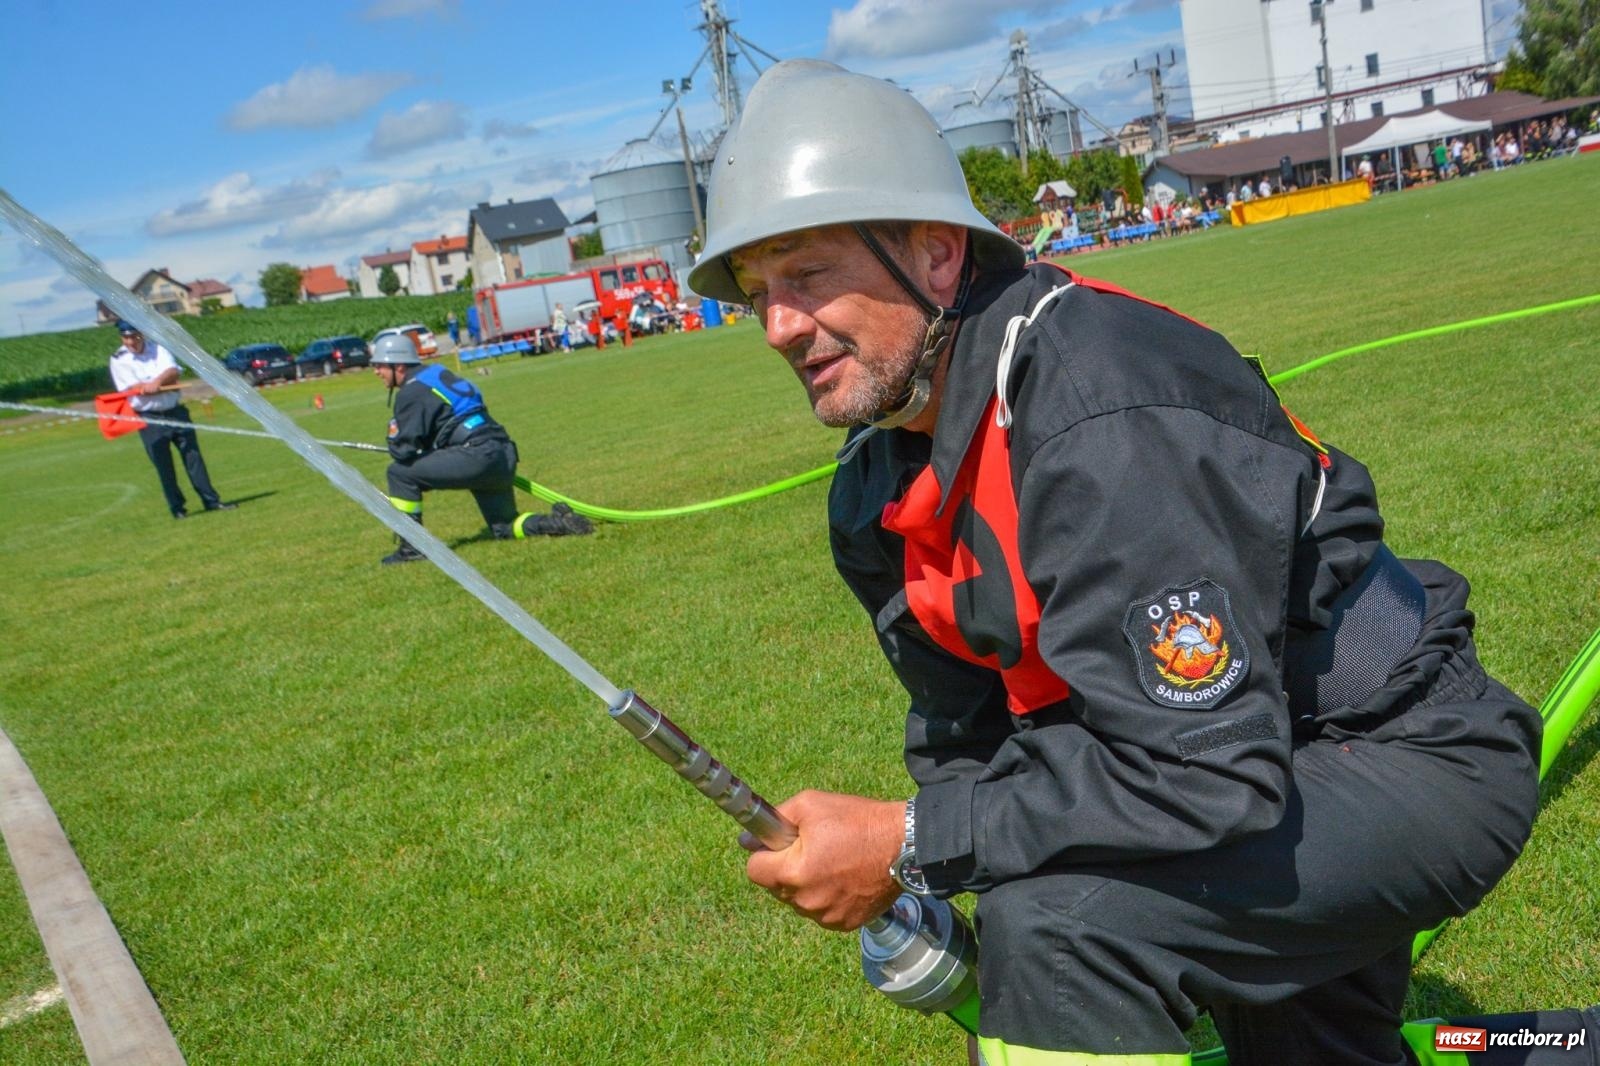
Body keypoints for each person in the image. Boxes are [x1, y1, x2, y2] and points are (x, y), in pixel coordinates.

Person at [688, 60, 1576, 1066]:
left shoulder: (1096, 409)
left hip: (1393, 754)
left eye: (806, 276)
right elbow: (966, 739)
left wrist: (906, 842)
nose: (777, 326)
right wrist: (933, 845)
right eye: (755, 293)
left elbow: (1199, 773)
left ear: (936, 255)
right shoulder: (875, 493)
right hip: (1247, 769)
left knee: (1063, 933)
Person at [368, 334, 590, 565]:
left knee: (399, 473)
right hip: (501, 453)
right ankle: (558, 523)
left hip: (475, 456)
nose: (376, 371)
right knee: (504, 527)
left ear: (399, 365)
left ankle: (412, 547)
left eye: (379, 366)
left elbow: (404, 451)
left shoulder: (412, 391)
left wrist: (395, 436)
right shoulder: (435, 373)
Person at [107, 320, 235, 519]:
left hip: (175, 411)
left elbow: (173, 371)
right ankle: (177, 508)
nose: (130, 341)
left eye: (133, 336)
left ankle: (211, 500)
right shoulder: (119, 359)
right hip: (149, 418)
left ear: (141, 334)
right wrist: (148, 387)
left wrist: (157, 382)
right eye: (126, 337)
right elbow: (131, 388)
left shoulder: (158, 348)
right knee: (163, 465)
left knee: (193, 458)